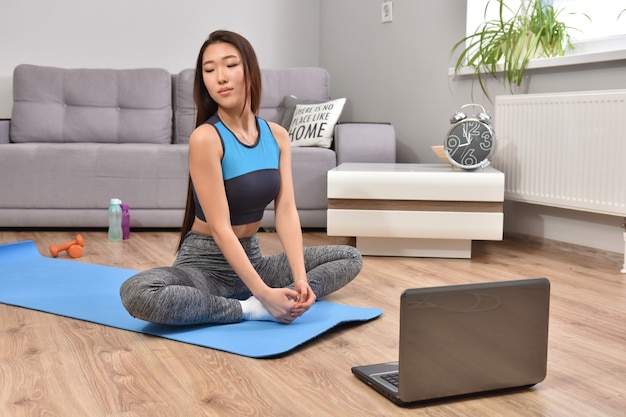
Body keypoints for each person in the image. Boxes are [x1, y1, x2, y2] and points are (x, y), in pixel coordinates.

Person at [119, 30, 362, 325]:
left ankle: (287, 297)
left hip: (254, 260)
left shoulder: (277, 136)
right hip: (206, 266)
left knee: (350, 257)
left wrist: (300, 279)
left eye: (230, 65)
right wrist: (261, 297)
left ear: (250, 71)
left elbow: (285, 210)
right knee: (138, 292)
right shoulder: (206, 138)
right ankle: (249, 309)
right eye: (209, 70)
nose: (220, 77)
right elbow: (221, 228)